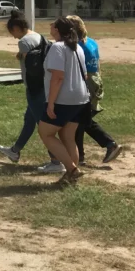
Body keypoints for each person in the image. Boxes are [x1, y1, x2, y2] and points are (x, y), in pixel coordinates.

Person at [0, 11, 63, 173]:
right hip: (43, 85)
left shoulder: (24, 42)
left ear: (17, 28)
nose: (13, 36)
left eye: (12, 32)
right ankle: (15, 151)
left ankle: (56, 161)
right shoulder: (38, 36)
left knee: (44, 126)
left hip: (34, 88)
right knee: (29, 120)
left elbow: (31, 65)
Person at [67, 15, 123, 164]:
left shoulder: (77, 45)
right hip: (96, 81)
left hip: (86, 82)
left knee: (79, 120)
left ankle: (109, 144)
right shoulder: (91, 42)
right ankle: (81, 156)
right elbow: (97, 64)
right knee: (80, 120)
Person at [39, 16, 88, 185]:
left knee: (45, 132)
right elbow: (85, 74)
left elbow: (58, 77)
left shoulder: (57, 48)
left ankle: (72, 169)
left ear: (57, 31)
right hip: (81, 98)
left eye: (53, 25)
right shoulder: (77, 48)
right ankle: (70, 177)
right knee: (68, 136)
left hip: (64, 99)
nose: (50, 26)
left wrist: (51, 103)